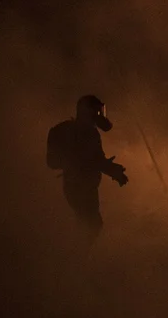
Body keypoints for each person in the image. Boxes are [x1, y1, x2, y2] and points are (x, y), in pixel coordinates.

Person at [47, 95, 129, 239]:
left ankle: (80, 252)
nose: (100, 116)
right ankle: (81, 256)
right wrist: (112, 170)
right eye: (97, 112)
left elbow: (96, 160)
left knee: (87, 222)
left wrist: (111, 169)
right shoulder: (87, 133)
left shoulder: (80, 131)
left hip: (77, 185)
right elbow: (94, 160)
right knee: (92, 225)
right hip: (80, 186)